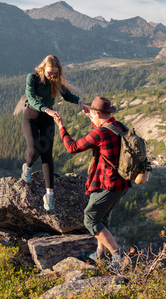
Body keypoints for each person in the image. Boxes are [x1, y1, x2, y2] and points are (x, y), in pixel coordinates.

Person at [53, 96, 132, 270]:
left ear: (97, 113)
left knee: (90, 219)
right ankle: (100, 256)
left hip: (107, 183)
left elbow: (72, 147)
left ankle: (119, 257)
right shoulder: (118, 126)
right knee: (101, 218)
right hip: (122, 183)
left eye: (92, 113)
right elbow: (101, 128)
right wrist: (91, 116)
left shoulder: (101, 133)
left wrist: (61, 126)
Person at [21, 55, 84, 211]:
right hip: (31, 118)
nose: (52, 75)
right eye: (50, 72)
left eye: (55, 73)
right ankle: (27, 167)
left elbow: (67, 95)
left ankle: (49, 195)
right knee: (34, 149)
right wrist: (47, 109)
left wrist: (81, 102)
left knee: (47, 155)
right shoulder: (33, 78)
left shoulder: (56, 81)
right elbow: (31, 98)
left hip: (47, 119)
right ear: (43, 68)